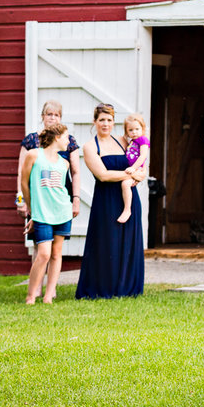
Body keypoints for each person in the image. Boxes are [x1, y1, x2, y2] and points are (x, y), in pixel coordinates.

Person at [77, 104, 145, 299]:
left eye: (109, 120)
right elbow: (103, 175)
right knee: (108, 242)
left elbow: (140, 163)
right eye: (102, 120)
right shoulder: (90, 146)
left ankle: (129, 287)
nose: (106, 124)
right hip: (106, 201)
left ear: (113, 122)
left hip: (129, 198)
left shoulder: (124, 140)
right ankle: (104, 287)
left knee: (128, 242)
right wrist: (128, 174)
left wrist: (140, 174)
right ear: (95, 122)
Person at [21, 124, 73, 304]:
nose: (69, 141)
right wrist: (31, 210)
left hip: (62, 211)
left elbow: (63, 189)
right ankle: (31, 295)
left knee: (57, 254)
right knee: (43, 253)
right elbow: (24, 183)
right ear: (57, 137)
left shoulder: (64, 163)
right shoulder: (34, 155)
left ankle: (49, 296)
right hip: (41, 214)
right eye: (67, 137)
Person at [17, 100, 81, 220]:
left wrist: (76, 199)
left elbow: (75, 172)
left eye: (56, 115)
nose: (52, 118)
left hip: (61, 198)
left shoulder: (69, 141)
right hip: (37, 200)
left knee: (59, 236)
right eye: (49, 114)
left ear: (60, 118)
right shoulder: (31, 140)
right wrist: (21, 200)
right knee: (41, 237)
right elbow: (21, 173)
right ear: (42, 116)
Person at [117, 113, 150, 224]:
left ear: (142, 128)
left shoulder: (143, 140)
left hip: (136, 169)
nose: (134, 132)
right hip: (132, 169)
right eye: (131, 130)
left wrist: (134, 168)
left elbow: (143, 156)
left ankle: (127, 210)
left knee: (125, 184)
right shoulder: (131, 142)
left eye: (137, 129)